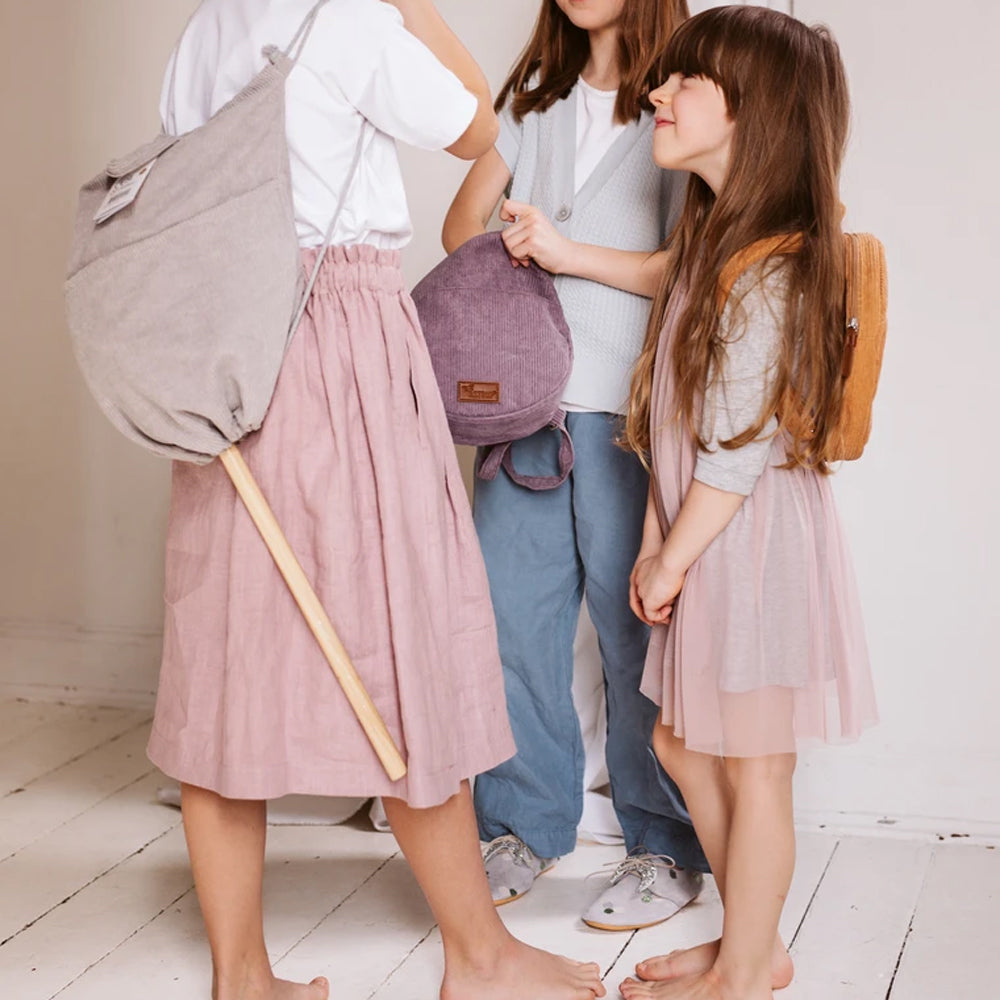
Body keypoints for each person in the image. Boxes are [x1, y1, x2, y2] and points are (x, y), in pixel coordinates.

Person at [149, 2, 607, 999]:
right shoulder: (348, 19)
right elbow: (481, 124)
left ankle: (241, 974)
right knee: (402, 642)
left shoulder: (203, 31)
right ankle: (479, 957)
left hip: (224, 345)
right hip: (337, 343)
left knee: (228, 649)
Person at [616, 7, 879, 998]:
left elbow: (733, 451)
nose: (657, 94)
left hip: (749, 540)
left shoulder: (771, 259)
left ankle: (743, 968)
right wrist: (658, 539)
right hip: (705, 532)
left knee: (758, 763)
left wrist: (669, 556)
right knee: (682, 741)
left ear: (752, 111)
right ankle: (749, 946)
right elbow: (675, 422)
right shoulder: (709, 242)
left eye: (686, 82)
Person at [443, 0, 707, 930]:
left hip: (625, 409)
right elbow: (458, 229)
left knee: (633, 631)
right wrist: (516, 251)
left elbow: (693, 266)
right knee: (509, 620)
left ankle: (663, 847)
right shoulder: (537, 98)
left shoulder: (681, 99)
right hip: (523, 408)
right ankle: (517, 827)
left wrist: (563, 253)